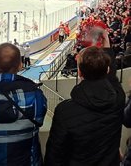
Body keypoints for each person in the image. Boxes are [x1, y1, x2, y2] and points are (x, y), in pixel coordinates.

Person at [44, 30, 125, 166]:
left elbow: (55, 154)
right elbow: (112, 77)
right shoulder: (118, 98)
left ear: (79, 73)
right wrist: (106, 41)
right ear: (107, 70)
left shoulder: (65, 110)